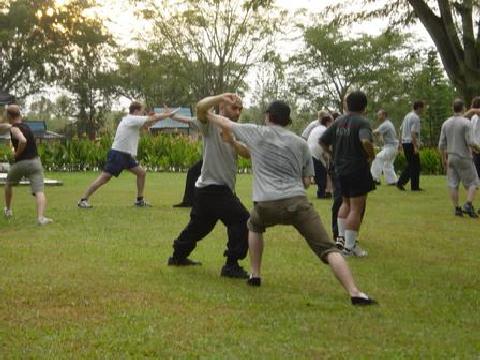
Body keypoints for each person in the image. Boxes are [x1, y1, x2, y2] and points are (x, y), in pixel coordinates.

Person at [207, 97, 376, 305]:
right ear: (288, 120)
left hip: (266, 205)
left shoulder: (257, 133)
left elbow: (224, 122)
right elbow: (306, 182)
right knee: (328, 249)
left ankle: (255, 274)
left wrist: (204, 113)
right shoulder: (300, 143)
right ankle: (355, 292)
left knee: (253, 224)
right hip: (297, 204)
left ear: (268, 116)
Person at [167, 94, 251, 279]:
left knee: (200, 226)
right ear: (222, 107)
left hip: (210, 189)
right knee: (242, 220)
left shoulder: (237, 129)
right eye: (233, 108)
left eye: (239, 109)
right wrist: (222, 96)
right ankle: (231, 265)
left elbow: (248, 153)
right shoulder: (210, 126)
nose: (237, 112)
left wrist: (232, 141)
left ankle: (178, 256)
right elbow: (200, 107)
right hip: (214, 188)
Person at [77, 101, 176, 208]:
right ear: (136, 111)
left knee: (141, 173)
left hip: (126, 155)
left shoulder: (133, 121)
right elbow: (152, 118)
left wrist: (165, 116)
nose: (143, 114)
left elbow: (149, 124)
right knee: (104, 178)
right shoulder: (132, 119)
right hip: (118, 154)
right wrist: (169, 114)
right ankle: (83, 199)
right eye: (142, 112)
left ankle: (139, 200)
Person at [320, 91, 375, 257]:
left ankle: (342, 242)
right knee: (356, 209)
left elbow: (322, 141)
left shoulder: (338, 121)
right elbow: (365, 140)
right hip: (357, 169)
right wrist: (371, 155)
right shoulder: (362, 122)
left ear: (347, 105)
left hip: (340, 169)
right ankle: (350, 247)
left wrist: (332, 155)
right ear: (364, 106)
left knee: (345, 204)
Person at [2, 105, 53, 225]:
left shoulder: (14, 129)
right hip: (35, 163)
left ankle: (8, 210)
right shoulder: (26, 127)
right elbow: (7, 126)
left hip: (21, 163)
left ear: (9, 116)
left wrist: (17, 153)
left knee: (8, 184)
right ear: (19, 115)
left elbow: (22, 140)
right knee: (39, 191)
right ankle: (40, 218)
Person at [438, 99, 480, 217]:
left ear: (453, 108)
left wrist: (443, 159)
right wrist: (478, 148)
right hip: (464, 156)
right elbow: (471, 141)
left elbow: (441, 144)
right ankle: (468, 204)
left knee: (453, 183)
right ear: (463, 108)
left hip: (450, 156)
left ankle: (457, 208)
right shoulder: (466, 123)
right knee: (474, 182)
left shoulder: (446, 123)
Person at [397, 100, 425, 191]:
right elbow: (413, 133)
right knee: (414, 165)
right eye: (423, 108)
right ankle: (404, 183)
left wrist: (400, 143)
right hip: (410, 143)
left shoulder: (407, 116)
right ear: (419, 107)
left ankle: (412, 185)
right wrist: (415, 146)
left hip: (405, 143)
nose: (423, 110)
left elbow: (400, 130)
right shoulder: (416, 117)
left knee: (412, 165)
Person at [307, 110, 333, 198]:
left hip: (309, 153)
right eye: (331, 122)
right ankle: (322, 194)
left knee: (321, 172)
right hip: (314, 154)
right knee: (322, 175)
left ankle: (323, 192)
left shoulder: (317, 128)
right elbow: (326, 145)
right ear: (328, 122)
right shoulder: (325, 130)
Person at [371, 109, 399, 185]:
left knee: (378, 158)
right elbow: (379, 136)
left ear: (384, 115)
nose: (378, 116)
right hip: (392, 147)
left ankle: (375, 178)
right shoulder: (388, 124)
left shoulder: (385, 124)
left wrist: (367, 130)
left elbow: (376, 132)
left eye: (379, 115)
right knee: (388, 164)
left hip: (391, 147)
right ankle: (392, 181)